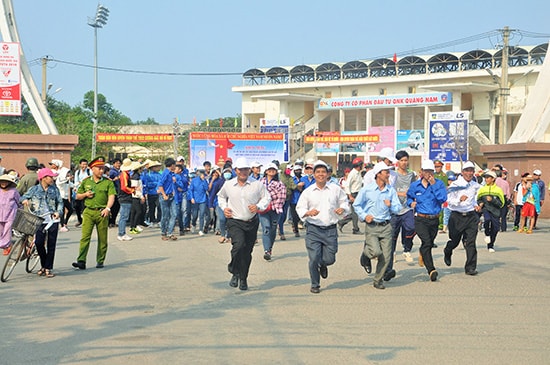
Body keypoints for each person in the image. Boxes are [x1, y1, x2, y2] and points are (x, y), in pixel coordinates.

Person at [296, 160, 349, 294]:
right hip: (313, 229)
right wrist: (308, 213)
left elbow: (344, 203)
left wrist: (342, 209)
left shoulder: (335, 189)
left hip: (330, 229)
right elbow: (300, 207)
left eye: (323, 172)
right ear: (313, 174)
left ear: (328, 174)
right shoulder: (308, 192)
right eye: (318, 172)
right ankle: (315, 284)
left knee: (330, 258)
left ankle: (323, 264)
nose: (321, 174)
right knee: (313, 258)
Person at [217, 157, 270, 291]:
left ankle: (243, 278)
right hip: (235, 221)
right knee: (238, 246)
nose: (243, 172)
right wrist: (224, 208)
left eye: (246, 169)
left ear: (249, 170)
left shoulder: (256, 184)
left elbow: (266, 197)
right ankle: (234, 270)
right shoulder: (229, 184)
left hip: (251, 221)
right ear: (236, 170)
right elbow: (221, 196)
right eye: (241, 170)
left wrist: (258, 206)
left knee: (247, 252)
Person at [353, 162, 401, 289]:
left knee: (386, 256)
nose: (388, 174)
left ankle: (378, 280)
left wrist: (391, 205)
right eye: (386, 172)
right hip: (372, 226)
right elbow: (356, 205)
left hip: (386, 226)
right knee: (375, 251)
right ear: (378, 174)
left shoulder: (390, 190)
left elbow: (398, 208)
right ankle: (366, 254)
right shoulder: (367, 190)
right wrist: (364, 216)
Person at [72, 157, 116, 270]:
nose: (101, 171)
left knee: (102, 238)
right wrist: (85, 194)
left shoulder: (108, 182)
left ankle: (100, 260)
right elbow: (77, 196)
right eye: (99, 168)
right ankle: (81, 261)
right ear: (92, 169)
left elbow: (112, 196)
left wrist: (108, 208)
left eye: (103, 169)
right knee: (85, 237)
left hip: (102, 212)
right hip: (88, 212)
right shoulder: (86, 181)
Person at [407, 160, 447, 281]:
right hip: (420, 218)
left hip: (434, 219)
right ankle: (431, 269)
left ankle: (422, 252)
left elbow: (442, 199)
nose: (429, 174)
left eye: (431, 171)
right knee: (427, 242)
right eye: (426, 171)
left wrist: (433, 184)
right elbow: (409, 197)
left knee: (428, 244)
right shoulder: (415, 185)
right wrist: (411, 203)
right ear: (421, 172)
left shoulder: (439, 184)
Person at [21, 168, 63, 278]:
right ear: (43, 178)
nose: (52, 179)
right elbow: (23, 197)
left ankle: (48, 268)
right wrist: (24, 200)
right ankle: (44, 265)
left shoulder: (55, 190)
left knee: (51, 244)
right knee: (39, 243)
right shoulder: (34, 189)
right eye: (50, 177)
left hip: (53, 220)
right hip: (39, 220)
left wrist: (58, 212)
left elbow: (60, 202)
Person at [443, 161, 482, 276]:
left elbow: (476, 197)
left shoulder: (475, 185)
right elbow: (448, 201)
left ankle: (470, 267)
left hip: (471, 216)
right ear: (462, 172)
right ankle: (448, 251)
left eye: (471, 171)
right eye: (467, 171)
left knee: (470, 242)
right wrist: (459, 200)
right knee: (454, 241)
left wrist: (477, 204)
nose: (469, 173)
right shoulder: (455, 185)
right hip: (457, 216)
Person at [385, 150, 417, 282]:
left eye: (406, 160)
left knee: (411, 227)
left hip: (407, 208)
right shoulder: (392, 175)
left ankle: (406, 248)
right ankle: (388, 268)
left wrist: (413, 198)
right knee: (391, 238)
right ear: (397, 162)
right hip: (394, 210)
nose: (404, 163)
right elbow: (388, 189)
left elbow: (415, 188)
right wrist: (400, 195)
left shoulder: (411, 175)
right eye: (401, 160)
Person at [258, 163, 286, 261]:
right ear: (266, 171)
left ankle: (270, 248)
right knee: (266, 228)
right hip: (263, 209)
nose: (271, 171)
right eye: (269, 169)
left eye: (273, 169)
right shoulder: (260, 182)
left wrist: (270, 200)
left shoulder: (279, 183)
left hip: (275, 209)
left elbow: (281, 197)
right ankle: (266, 250)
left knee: (273, 229)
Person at [477, 170, 505, 252]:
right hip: (486, 209)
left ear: (493, 179)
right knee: (487, 220)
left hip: (495, 211)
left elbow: (501, 203)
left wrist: (492, 200)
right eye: (485, 178)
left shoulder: (498, 190)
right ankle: (487, 233)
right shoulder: (482, 189)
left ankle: (491, 245)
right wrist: (480, 203)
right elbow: (478, 199)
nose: (486, 179)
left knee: (495, 228)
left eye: (488, 178)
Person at [339, 157, 363, 234]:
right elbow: (347, 185)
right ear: (359, 165)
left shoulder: (358, 173)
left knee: (356, 212)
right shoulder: (352, 174)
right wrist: (350, 196)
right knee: (355, 212)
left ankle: (342, 222)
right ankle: (355, 229)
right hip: (353, 194)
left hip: (358, 193)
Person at [157, 157, 178, 241]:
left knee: (174, 214)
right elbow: (160, 185)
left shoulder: (171, 174)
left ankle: (170, 232)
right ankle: (163, 232)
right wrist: (164, 194)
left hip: (171, 196)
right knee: (165, 215)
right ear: (172, 165)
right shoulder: (165, 173)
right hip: (165, 196)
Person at [50, 159, 73, 233]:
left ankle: (65, 223)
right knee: (61, 211)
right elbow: (59, 182)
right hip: (60, 196)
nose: (51, 166)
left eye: (52, 164)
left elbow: (71, 184)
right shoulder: (59, 176)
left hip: (65, 197)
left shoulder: (63, 174)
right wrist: (66, 178)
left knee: (70, 209)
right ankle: (62, 225)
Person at [0, 174, 20, 255]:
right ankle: (4, 244)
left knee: (7, 230)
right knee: (0, 230)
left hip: (10, 214)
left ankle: (7, 245)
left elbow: (19, 201)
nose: (3, 183)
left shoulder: (13, 191)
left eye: (5, 182)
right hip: (0, 214)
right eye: (2, 182)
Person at [117, 159, 136, 241]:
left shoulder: (124, 174)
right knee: (124, 216)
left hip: (124, 197)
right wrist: (132, 190)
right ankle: (122, 233)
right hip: (125, 197)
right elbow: (124, 187)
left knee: (123, 216)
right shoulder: (124, 174)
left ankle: (121, 233)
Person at [189, 167, 209, 235]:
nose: (202, 174)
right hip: (195, 199)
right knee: (194, 215)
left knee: (202, 214)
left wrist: (204, 181)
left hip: (203, 200)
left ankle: (201, 229)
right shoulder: (194, 180)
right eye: (201, 173)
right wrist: (192, 198)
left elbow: (207, 188)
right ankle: (193, 224)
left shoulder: (205, 181)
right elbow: (191, 190)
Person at [73, 159, 91, 227]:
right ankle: (80, 220)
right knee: (77, 207)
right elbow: (76, 182)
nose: (84, 166)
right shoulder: (77, 172)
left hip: (86, 192)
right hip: (79, 191)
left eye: (86, 164)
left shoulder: (89, 172)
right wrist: (77, 185)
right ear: (80, 165)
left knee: (84, 207)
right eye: (83, 164)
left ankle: (86, 221)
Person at [108, 158, 122, 228]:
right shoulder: (112, 172)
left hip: (118, 191)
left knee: (117, 207)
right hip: (113, 191)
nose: (118, 164)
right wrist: (114, 179)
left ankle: (113, 221)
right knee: (112, 207)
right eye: (117, 163)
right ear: (113, 164)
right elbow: (109, 180)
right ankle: (110, 222)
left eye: (119, 163)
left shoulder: (120, 171)